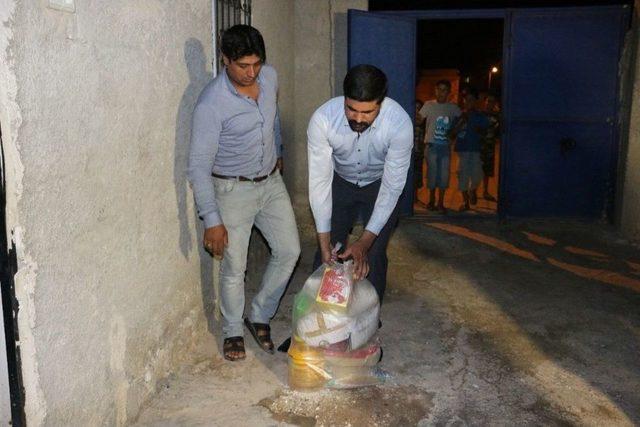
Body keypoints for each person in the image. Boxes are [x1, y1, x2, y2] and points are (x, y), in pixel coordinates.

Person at [188, 25, 300, 362]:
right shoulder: (212, 103)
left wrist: (277, 147)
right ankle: (233, 329)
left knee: (289, 250)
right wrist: (212, 218)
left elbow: (272, 115)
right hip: (231, 190)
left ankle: (260, 313)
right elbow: (197, 165)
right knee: (235, 266)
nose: (251, 73)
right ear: (225, 60)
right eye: (242, 66)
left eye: (256, 64)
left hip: (270, 183)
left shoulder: (270, 77)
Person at [307, 64, 413, 305]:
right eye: (351, 109)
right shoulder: (323, 119)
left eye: (367, 112)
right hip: (340, 182)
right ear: (343, 99)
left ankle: (367, 325)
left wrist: (364, 242)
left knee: (373, 254)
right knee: (329, 250)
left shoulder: (399, 124)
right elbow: (320, 182)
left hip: (379, 185)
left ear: (381, 103)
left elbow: (392, 186)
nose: (358, 118)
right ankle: (320, 318)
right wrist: (323, 243)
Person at [417, 80, 462, 214]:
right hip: (431, 146)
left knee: (443, 175)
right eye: (439, 89)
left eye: (444, 90)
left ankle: (441, 202)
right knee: (432, 174)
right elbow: (419, 119)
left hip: (445, 147)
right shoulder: (428, 105)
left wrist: (454, 131)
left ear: (449, 92)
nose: (441, 92)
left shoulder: (452, 107)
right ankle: (431, 200)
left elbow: (463, 118)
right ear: (435, 90)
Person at [450, 87, 491, 211]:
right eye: (467, 100)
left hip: (476, 151)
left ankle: (472, 190)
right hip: (462, 151)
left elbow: (486, 131)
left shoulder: (480, 116)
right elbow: (452, 134)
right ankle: (465, 202)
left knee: (477, 175)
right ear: (463, 101)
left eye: (472, 100)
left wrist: (480, 130)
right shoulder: (459, 115)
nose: (469, 103)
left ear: (476, 101)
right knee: (462, 176)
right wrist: (463, 120)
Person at [481, 93, 501, 201]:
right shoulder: (479, 114)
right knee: (476, 169)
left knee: (487, 170)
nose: (489, 103)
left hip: (489, 146)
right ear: (485, 102)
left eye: (492, 101)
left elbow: (500, 130)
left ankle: (485, 191)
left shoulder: (497, 116)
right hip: (478, 146)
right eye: (488, 100)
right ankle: (472, 190)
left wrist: (498, 112)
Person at [414, 100, 426, 206]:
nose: (417, 111)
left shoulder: (423, 123)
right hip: (409, 154)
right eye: (415, 108)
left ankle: (415, 197)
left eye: (419, 108)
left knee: (417, 175)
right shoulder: (408, 121)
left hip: (419, 153)